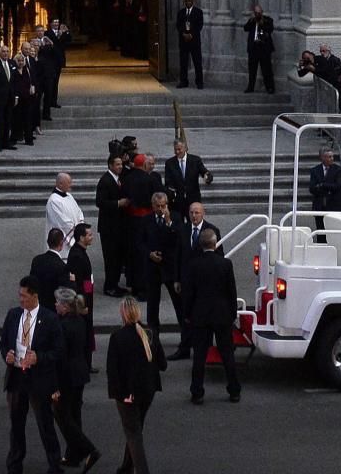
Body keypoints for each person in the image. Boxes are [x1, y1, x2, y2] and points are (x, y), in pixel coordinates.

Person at [1, 276, 65, 473]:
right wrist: (8, 355)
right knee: (16, 425)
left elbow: (59, 351)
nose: (21, 300)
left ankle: (55, 465)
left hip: (39, 380)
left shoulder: (50, 319)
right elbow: (3, 343)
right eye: (19, 295)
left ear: (35, 296)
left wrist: (39, 358)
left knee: (45, 425)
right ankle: (15, 463)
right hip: (17, 378)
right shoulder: (13, 316)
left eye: (24, 296)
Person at [177, 226, 240, 404]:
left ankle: (197, 392)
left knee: (199, 356)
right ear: (215, 243)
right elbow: (231, 292)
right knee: (227, 354)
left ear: (200, 244)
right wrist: (232, 313)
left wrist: (187, 314)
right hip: (222, 315)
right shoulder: (225, 264)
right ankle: (234, 390)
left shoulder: (193, 265)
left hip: (200, 315)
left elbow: (189, 293)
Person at [105, 297, 165, 474]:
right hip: (148, 390)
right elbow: (162, 364)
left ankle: (140, 469)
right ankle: (126, 466)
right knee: (136, 429)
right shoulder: (150, 333)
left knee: (133, 433)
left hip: (127, 394)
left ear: (123, 313)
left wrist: (118, 393)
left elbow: (113, 371)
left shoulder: (117, 337)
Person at [52, 288, 100, 472]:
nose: (55, 304)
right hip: (80, 373)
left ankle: (88, 449)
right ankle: (74, 455)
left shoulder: (62, 325)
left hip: (67, 376)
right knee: (75, 413)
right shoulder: (80, 321)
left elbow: (61, 356)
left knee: (62, 415)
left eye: (58, 302)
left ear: (65, 306)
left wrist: (54, 383)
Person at [134, 192, 179, 340]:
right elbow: (139, 242)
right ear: (152, 206)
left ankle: (186, 338)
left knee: (178, 302)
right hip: (152, 267)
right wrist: (149, 254)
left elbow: (178, 240)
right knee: (152, 305)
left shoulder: (175, 217)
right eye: (158, 206)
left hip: (169, 267)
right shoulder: (145, 220)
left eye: (163, 205)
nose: (161, 209)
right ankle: (154, 337)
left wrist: (168, 222)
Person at [95, 155, 128, 297]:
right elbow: (100, 202)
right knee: (110, 257)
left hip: (118, 226)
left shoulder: (118, 179)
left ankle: (114, 284)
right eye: (117, 164)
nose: (120, 167)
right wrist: (118, 203)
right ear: (110, 165)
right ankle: (109, 286)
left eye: (121, 164)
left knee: (117, 257)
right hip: (108, 227)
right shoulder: (105, 181)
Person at [162, 141, 211, 211]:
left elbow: (205, 172)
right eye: (175, 149)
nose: (177, 152)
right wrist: (172, 191)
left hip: (193, 199)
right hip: (177, 201)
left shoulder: (195, 160)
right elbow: (168, 181)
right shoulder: (169, 163)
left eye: (179, 149)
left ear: (185, 148)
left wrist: (207, 177)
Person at [32, 228, 77, 300]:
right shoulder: (62, 267)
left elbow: (32, 283)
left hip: (39, 302)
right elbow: (67, 293)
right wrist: (72, 281)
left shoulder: (36, 260)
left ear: (47, 242)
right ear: (61, 244)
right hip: (53, 305)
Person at [241, 5, 274, 94]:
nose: (257, 15)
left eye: (259, 13)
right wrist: (252, 20)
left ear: (262, 12)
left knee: (266, 69)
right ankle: (250, 87)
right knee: (252, 69)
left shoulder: (268, 20)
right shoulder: (252, 20)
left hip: (264, 48)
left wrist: (262, 22)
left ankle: (270, 87)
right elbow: (245, 28)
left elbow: (270, 29)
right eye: (256, 13)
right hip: (253, 48)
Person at [175, 0, 205, 89]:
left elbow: (199, 25)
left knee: (197, 62)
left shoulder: (198, 12)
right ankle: (184, 81)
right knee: (183, 62)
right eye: (186, 1)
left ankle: (199, 82)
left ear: (193, 1)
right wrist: (183, 33)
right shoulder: (181, 12)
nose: (188, 2)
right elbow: (178, 25)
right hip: (183, 41)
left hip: (194, 41)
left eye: (190, 0)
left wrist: (191, 34)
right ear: (185, 2)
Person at [47, 173, 85, 246]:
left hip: (76, 235)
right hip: (63, 242)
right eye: (69, 183)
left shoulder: (69, 196)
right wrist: (78, 234)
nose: (71, 185)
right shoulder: (54, 200)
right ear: (60, 184)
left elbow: (79, 212)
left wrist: (81, 227)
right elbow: (63, 223)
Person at [308, 147, 341, 213]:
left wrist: (322, 185)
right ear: (322, 158)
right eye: (329, 157)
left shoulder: (338, 170)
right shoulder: (314, 170)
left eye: (332, 156)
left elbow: (338, 186)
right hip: (319, 206)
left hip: (335, 206)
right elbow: (312, 188)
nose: (332, 159)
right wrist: (327, 187)